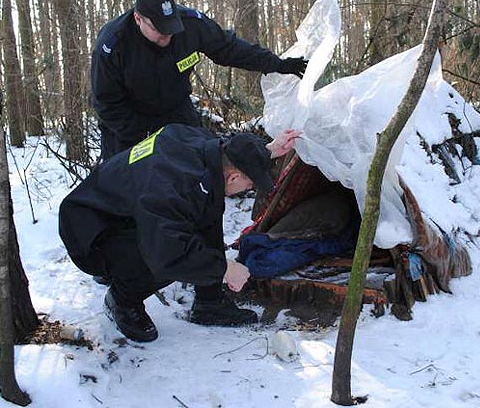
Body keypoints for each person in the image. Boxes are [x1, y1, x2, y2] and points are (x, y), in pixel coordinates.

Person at [59, 125, 301, 342]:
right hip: (90, 233)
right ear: (234, 176)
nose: (247, 190)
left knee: (205, 209)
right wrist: (224, 268)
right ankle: (123, 299)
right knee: (176, 256)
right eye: (249, 185)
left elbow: (235, 151)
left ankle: (210, 303)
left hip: (123, 212)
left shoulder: (206, 151)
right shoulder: (171, 187)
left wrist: (266, 151)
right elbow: (168, 253)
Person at [92, 0, 307, 160]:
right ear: (139, 19)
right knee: (130, 186)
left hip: (176, 109)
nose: (167, 36)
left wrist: (277, 64)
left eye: (171, 28)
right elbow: (107, 104)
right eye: (160, 30)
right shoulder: (113, 45)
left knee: (200, 166)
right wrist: (144, 136)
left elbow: (229, 49)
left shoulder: (191, 24)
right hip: (129, 123)